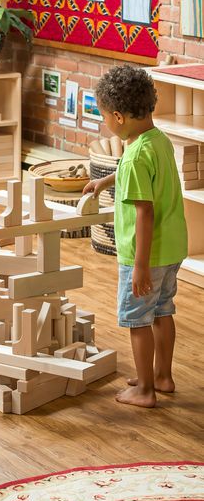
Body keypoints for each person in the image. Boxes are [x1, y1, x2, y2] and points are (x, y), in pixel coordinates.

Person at [83, 65, 187, 408]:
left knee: (136, 320)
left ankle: (144, 389)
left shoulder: (133, 158)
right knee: (162, 311)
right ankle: (162, 376)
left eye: (104, 117)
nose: (105, 124)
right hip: (172, 248)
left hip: (145, 255)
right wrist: (104, 181)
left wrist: (140, 265)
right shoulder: (157, 140)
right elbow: (139, 171)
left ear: (118, 116)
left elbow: (145, 212)